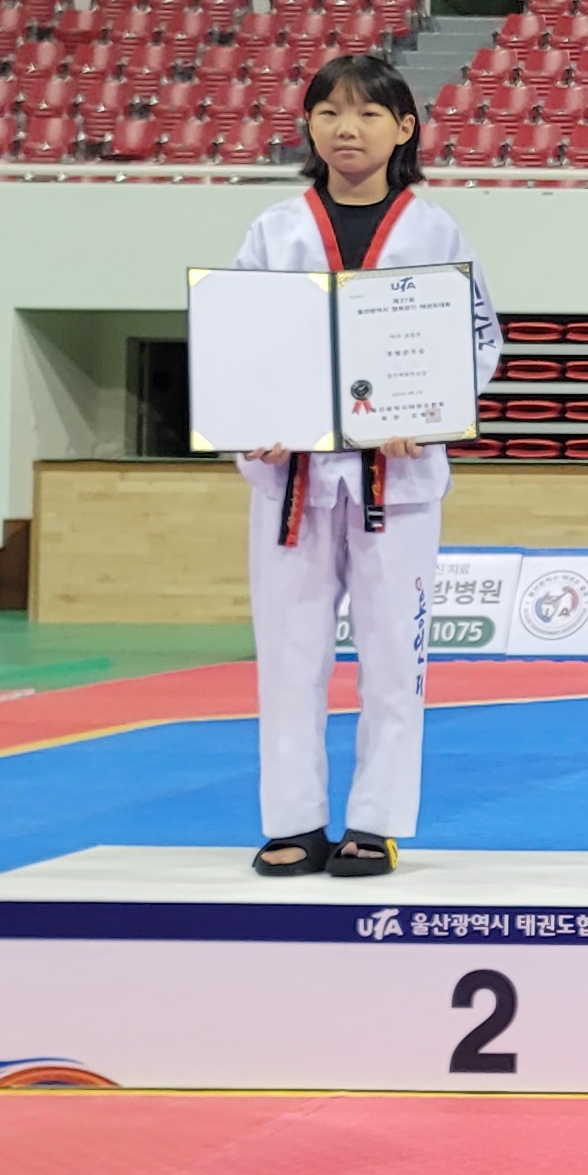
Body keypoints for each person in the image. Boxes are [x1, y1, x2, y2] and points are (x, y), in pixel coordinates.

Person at [228, 54, 502, 878]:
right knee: (288, 658)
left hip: (399, 480)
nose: (348, 129)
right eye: (330, 113)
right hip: (293, 481)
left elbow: (479, 338)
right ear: (308, 125)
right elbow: (240, 338)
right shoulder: (274, 230)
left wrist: (433, 408)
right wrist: (254, 421)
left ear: (404, 128)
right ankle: (294, 821)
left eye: (368, 114)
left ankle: (374, 822)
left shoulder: (433, 229)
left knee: (392, 660)